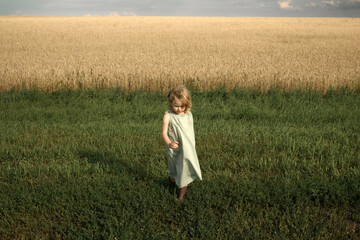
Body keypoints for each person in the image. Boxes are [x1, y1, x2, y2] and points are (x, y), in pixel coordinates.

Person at [161, 86, 202, 202]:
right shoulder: (168, 116)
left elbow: (189, 131)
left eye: (182, 106)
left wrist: (191, 145)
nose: (179, 109)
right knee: (174, 170)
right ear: (170, 103)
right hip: (173, 148)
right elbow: (164, 133)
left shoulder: (188, 115)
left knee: (184, 171)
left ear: (187, 104)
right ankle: (172, 179)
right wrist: (169, 143)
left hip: (187, 149)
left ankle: (180, 197)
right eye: (176, 106)